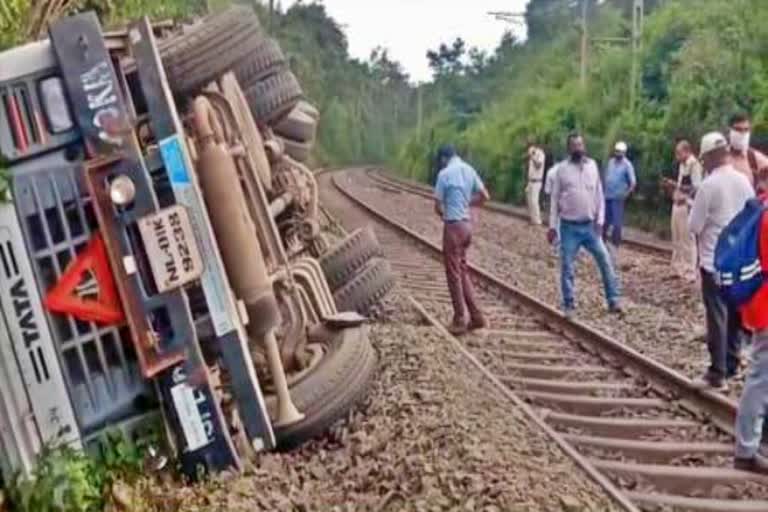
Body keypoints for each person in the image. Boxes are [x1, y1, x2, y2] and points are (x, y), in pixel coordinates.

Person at [689, 132, 755, 391]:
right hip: (738, 263)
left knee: (717, 317)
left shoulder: (708, 186)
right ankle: (731, 363)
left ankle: (717, 374)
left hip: (712, 262)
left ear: (709, 158)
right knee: (735, 317)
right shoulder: (743, 182)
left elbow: (694, 226)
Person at [548, 133, 622, 318]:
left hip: (590, 227)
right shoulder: (561, 170)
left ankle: (613, 300)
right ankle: (569, 304)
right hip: (568, 227)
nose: (578, 148)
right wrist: (551, 226)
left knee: (605, 260)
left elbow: (599, 194)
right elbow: (555, 198)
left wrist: (600, 220)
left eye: (580, 145)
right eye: (574, 145)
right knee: (567, 266)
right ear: (569, 148)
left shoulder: (592, 167)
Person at [434, 144, 489, 335]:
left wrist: (446, 212)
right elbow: (484, 196)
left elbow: (438, 206)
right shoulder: (469, 170)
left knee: (454, 274)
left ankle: (459, 319)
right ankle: (476, 317)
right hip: (467, 226)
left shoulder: (444, 174)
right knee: (462, 271)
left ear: (443, 158)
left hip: (453, 227)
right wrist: (467, 203)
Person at [734, 168, 768, 475]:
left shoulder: (761, 210)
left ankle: (756, 439)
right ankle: (745, 449)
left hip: (760, 304)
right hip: (766, 306)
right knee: (761, 377)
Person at [664, 140, 702, 281]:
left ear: (687, 151)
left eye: (679, 153)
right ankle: (677, 267)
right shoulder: (682, 165)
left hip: (686, 205)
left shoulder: (694, 165)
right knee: (677, 237)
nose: (677, 156)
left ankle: (689, 270)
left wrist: (676, 185)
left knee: (687, 239)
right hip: (677, 203)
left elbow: (696, 187)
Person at [602, 141, 637, 258]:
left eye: (620, 152)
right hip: (607, 195)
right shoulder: (611, 162)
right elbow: (607, 176)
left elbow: (633, 182)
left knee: (617, 223)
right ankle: (601, 242)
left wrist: (626, 194)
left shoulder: (627, 165)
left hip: (618, 197)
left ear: (624, 153)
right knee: (605, 221)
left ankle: (615, 244)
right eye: (616, 151)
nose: (618, 154)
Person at [728, 112, 768, 187]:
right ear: (729, 130)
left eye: (746, 130)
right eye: (738, 129)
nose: (743, 133)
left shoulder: (753, 157)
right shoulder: (721, 157)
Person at [525, 142, 546, 225]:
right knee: (529, 200)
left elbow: (538, 165)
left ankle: (537, 221)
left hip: (537, 181)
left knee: (534, 201)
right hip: (530, 181)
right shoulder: (532, 155)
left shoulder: (540, 154)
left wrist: (532, 156)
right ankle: (532, 219)